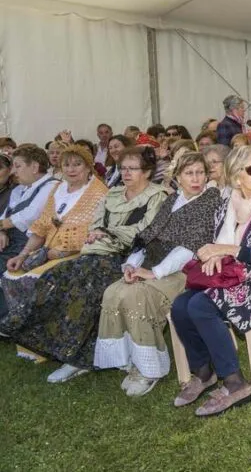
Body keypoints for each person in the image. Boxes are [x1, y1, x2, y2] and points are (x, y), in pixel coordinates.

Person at [10, 147, 168, 383]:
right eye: (123, 168)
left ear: (146, 172)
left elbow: (146, 231)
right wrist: (96, 233)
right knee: (57, 276)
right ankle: (59, 344)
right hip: (99, 252)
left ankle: (76, 356)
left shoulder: (158, 196)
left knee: (83, 282)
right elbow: (95, 224)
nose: (126, 173)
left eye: (132, 169)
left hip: (132, 257)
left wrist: (105, 232)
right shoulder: (113, 194)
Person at [170, 146, 251, 416]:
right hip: (233, 274)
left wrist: (227, 251)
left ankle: (235, 382)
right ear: (237, 177)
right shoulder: (227, 203)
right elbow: (217, 243)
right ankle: (204, 372)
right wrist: (213, 253)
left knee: (200, 306)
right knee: (180, 306)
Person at [92, 152, 219, 395]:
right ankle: (132, 360)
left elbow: (190, 246)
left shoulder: (210, 199)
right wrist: (131, 265)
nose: (196, 178)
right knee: (113, 292)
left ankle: (149, 369)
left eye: (200, 172)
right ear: (178, 177)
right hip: (153, 264)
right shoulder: (172, 201)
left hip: (185, 271)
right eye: (189, 173)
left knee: (137, 297)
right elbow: (148, 235)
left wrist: (154, 273)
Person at [0, 145, 108, 347]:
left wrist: (64, 250)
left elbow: (96, 232)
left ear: (88, 167)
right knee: (12, 274)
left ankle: (54, 341)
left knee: (40, 281)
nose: (71, 169)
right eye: (66, 164)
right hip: (48, 250)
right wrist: (23, 254)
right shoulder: (59, 189)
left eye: (77, 164)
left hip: (81, 254)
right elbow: (41, 226)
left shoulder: (98, 192)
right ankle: (27, 335)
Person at [0, 146, 58, 278]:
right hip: (8, 244)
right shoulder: (20, 189)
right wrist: (1, 231)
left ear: (34, 167)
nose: (13, 172)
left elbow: (29, 216)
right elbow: (5, 215)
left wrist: (2, 225)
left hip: (25, 248)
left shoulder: (51, 186)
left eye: (17, 166)